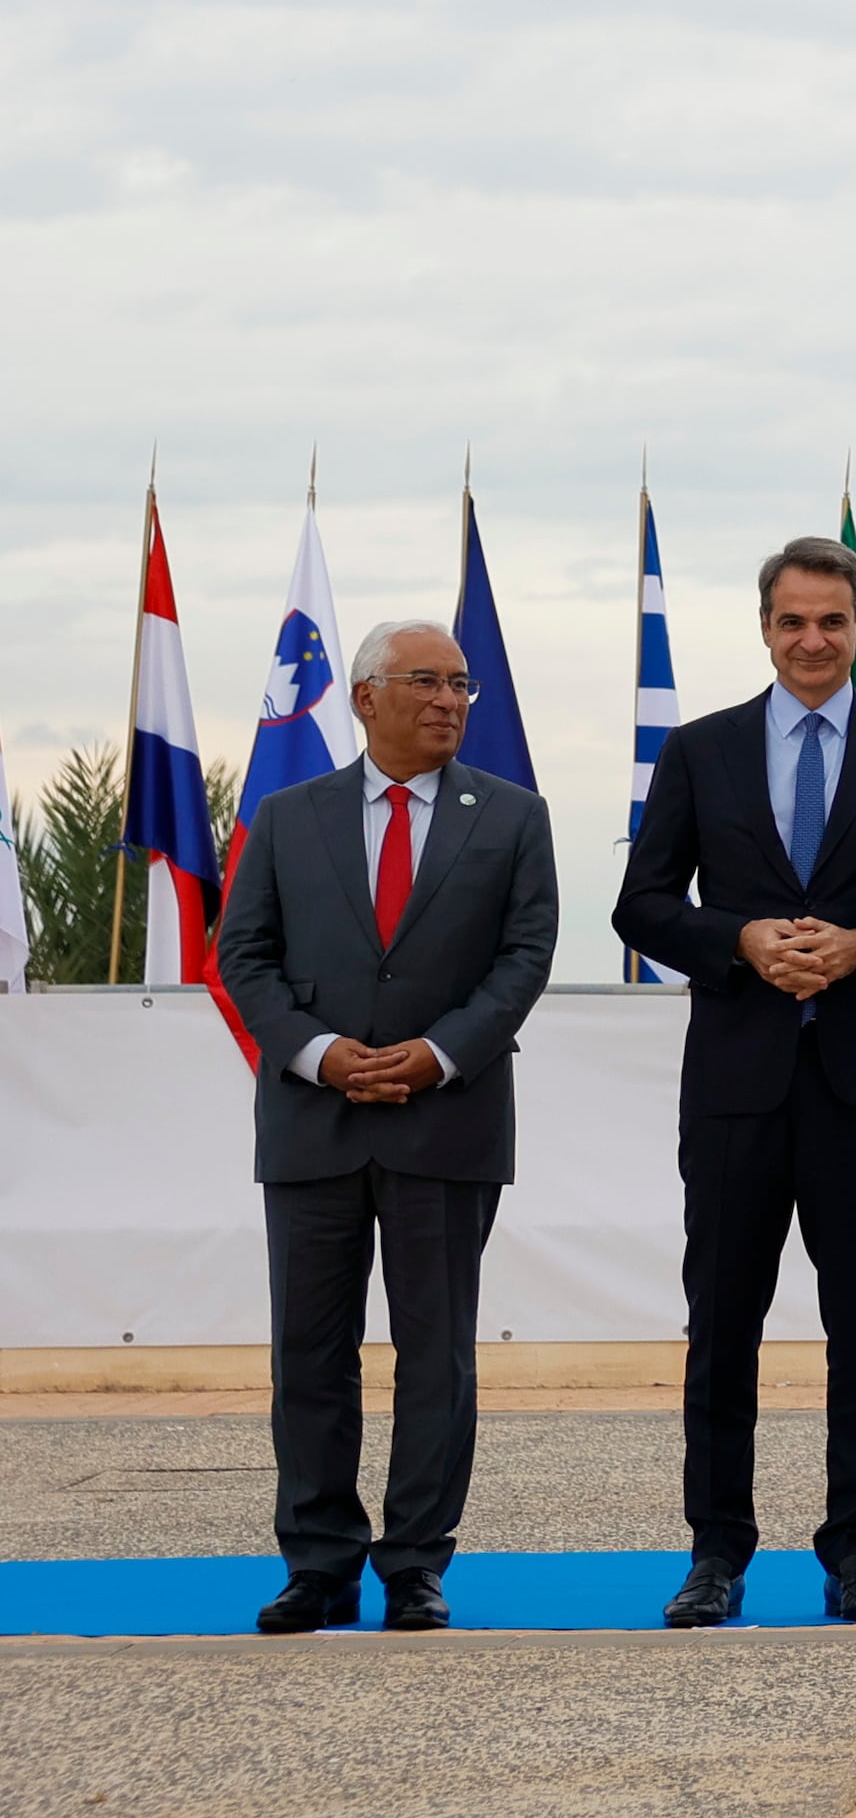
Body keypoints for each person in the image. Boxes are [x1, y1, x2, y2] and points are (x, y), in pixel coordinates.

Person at [611, 537, 856, 1627]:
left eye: (832, 621)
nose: (813, 640)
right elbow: (642, 904)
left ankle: (855, 1550)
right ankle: (715, 1554)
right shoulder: (701, 748)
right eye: (793, 621)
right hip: (737, 1083)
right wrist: (738, 941)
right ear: (766, 628)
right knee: (720, 1324)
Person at [212, 619, 563, 1635]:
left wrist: (439, 1052)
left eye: (462, 685)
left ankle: (416, 1563)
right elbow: (246, 957)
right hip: (312, 1120)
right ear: (367, 697)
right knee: (309, 1354)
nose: (450, 700)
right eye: (428, 681)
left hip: (446, 1117)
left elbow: (525, 954)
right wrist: (320, 1053)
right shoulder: (286, 817)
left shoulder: (512, 817)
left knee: (436, 1353)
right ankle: (317, 1564)